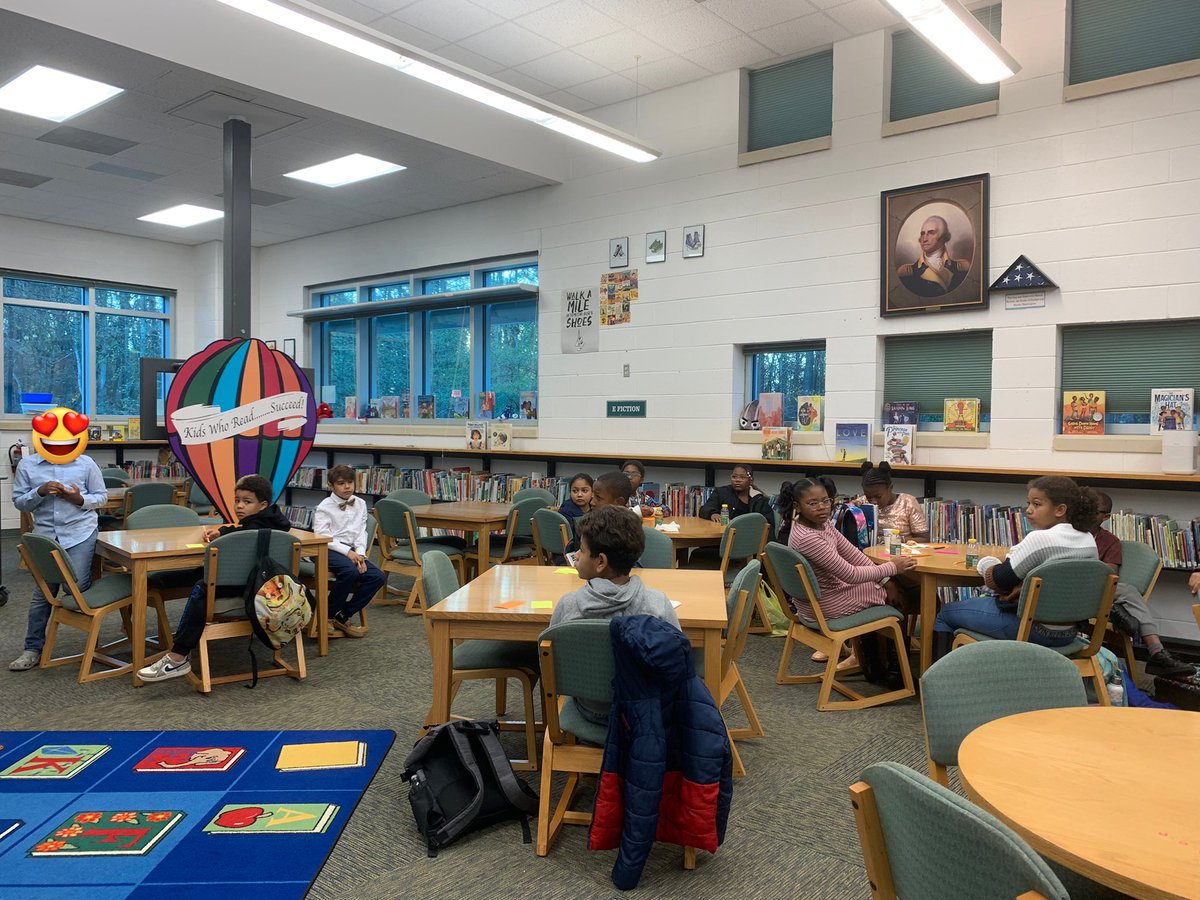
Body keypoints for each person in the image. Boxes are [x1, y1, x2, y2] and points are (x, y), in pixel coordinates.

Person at [136, 474, 293, 683]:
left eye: (247, 502)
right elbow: (244, 530)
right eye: (237, 500)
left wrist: (226, 535)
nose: (239, 506)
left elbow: (244, 535)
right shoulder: (273, 524)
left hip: (250, 589)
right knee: (195, 577)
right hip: (267, 588)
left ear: (262, 504)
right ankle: (158, 584)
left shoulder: (254, 527)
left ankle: (178, 656)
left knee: (203, 586)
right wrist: (223, 531)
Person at [932, 476, 1100, 659]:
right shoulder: (1088, 539)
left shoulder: (1040, 539)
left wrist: (985, 562)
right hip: (1069, 632)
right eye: (1028, 503)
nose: (1028, 510)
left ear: (1060, 509)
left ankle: (940, 681)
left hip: (1031, 630)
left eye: (1037, 504)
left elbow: (999, 581)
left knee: (945, 614)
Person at [549, 506, 681, 724]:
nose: (576, 556)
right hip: (643, 713)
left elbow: (551, 662)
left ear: (600, 562)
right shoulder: (658, 604)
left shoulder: (569, 604)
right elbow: (675, 663)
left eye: (581, 550)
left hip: (589, 710)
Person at [787, 478, 917, 671]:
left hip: (824, 597)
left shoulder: (822, 524)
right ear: (797, 506)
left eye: (826, 501)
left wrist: (885, 579)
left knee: (893, 587)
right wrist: (892, 568)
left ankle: (872, 663)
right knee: (901, 596)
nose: (822, 507)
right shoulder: (808, 538)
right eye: (813, 503)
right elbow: (850, 575)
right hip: (825, 605)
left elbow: (853, 554)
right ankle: (895, 670)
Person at [9, 445, 106, 671]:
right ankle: (32, 648)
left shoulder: (86, 463)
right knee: (43, 592)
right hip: (46, 536)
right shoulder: (28, 464)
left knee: (76, 586)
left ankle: (92, 623)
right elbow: (19, 501)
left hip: (80, 531)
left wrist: (78, 499)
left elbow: (101, 497)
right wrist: (39, 491)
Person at [1091, 492, 1191, 677]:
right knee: (1125, 593)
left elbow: (1110, 573)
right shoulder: (1063, 532)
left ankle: (1156, 651)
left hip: (1093, 587)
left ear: (1106, 517)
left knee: (1126, 590)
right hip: (1064, 588)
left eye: (1094, 511)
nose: (1087, 515)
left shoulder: (1109, 541)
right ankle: (1117, 611)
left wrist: (1082, 566)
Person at [312, 465, 385, 639]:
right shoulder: (324, 507)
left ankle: (342, 615)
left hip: (353, 549)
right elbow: (322, 535)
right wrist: (348, 553)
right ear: (331, 485)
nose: (347, 487)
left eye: (350, 482)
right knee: (350, 572)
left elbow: (361, 532)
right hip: (327, 548)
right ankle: (327, 616)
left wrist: (360, 554)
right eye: (341, 483)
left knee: (377, 577)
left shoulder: (359, 503)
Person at [897, 215, 971, 297]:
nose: (924, 239)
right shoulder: (907, 273)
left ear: (943, 236)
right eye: (922, 234)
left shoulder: (962, 268)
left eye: (931, 233)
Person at [698, 464, 776, 542]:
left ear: (751, 480)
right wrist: (712, 514)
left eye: (742, 477)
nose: (737, 480)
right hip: (722, 539)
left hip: (748, 542)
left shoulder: (759, 499)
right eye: (734, 477)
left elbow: (768, 524)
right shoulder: (721, 492)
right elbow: (704, 509)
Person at [857, 461, 929, 543]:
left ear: (890, 488)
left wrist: (897, 540)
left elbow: (925, 539)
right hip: (867, 554)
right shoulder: (862, 502)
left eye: (878, 496)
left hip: (901, 552)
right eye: (868, 496)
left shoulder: (907, 502)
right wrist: (852, 511)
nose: (873, 501)